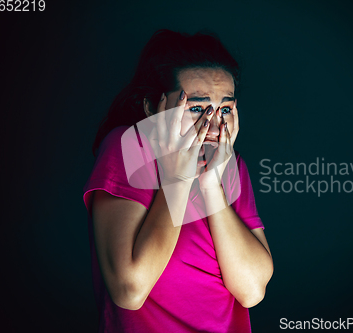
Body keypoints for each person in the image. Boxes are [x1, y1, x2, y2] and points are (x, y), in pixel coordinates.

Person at [83, 29, 273, 333]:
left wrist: (212, 187)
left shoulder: (229, 165)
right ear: (152, 108)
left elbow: (251, 291)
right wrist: (178, 179)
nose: (212, 126)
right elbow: (129, 290)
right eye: (196, 108)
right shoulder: (131, 147)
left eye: (225, 109)